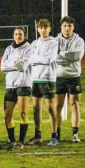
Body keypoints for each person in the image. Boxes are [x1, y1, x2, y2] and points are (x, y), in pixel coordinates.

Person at [0, 27, 32, 150]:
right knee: (7, 115)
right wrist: (15, 63)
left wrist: (10, 64)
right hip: (10, 85)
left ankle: (21, 142)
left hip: (23, 84)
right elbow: (2, 67)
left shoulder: (28, 48)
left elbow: (23, 66)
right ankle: (12, 141)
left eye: (20, 34)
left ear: (24, 36)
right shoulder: (9, 48)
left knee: (23, 113)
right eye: (16, 34)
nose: (18, 36)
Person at [28, 19, 59, 147]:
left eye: (46, 27)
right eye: (41, 27)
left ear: (49, 29)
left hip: (48, 78)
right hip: (35, 79)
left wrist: (35, 58)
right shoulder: (34, 43)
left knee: (51, 108)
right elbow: (29, 60)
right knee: (36, 108)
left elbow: (49, 59)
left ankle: (54, 137)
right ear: (38, 29)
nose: (44, 29)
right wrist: (37, 59)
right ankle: (38, 136)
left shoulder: (53, 42)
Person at [55, 16, 85, 142]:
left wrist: (62, 54)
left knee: (75, 105)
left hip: (74, 77)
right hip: (59, 77)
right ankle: (56, 134)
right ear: (61, 27)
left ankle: (75, 135)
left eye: (69, 26)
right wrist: (68, 56)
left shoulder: (79, 41)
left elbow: (77, 56)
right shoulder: (55, 40)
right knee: (58, 107)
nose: (67, 28)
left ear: (73, 27)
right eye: (65, 26)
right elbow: (54, 58)